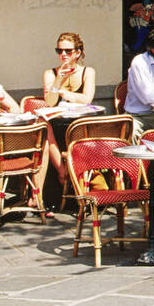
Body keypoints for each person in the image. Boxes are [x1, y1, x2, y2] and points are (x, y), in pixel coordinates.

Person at [41, 32, 98, 198]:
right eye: (59, 51)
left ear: (77, 52)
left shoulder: (87, 72)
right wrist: (58, 80)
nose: (63, 54)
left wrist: (64, 93)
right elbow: (50, 102)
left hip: (80, 123)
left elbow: (87, 99)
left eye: (68, 51)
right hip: (57, 124)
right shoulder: (50, 73)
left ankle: (78, 183)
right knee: (45, 129)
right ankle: (61, 173)